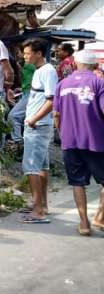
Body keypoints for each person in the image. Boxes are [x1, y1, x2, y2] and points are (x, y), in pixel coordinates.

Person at [54, 49, 104, 235]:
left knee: (77, 182)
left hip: (70, 141)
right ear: (94, 65)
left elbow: (56, 114)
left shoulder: (62, 84)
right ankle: (100, 217)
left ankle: (84, 223)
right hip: (96, 141)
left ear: (75, 64)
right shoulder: (99, 82)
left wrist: (63, 133)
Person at [18, 38, 58, 225]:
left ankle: (38, 210)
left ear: (39, 53)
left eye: (28, 53)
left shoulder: (47, 71)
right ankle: (41, 204)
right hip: (38, 125)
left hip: (38, 126)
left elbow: (51, 100)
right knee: (42, 167)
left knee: (31, 167)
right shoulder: (40, 71)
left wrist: (33, 119)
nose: (25, 56)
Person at [8, 44, 35, 145]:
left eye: (18, 52)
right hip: (25, 93)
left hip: (30, 94)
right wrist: (21, 89)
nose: (19, 55)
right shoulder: (25, 65)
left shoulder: (30, 65)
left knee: (13, 116)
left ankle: (17, 142)